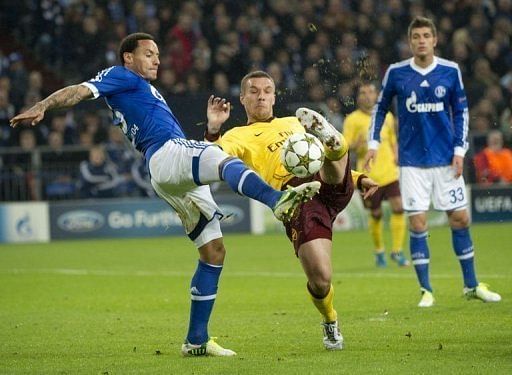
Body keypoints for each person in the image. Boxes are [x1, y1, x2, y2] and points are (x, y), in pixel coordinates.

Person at [9, 33, 321, 357]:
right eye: (148, 53)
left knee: (214, 251)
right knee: (219, 158)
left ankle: (196, 341)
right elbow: (79, 91)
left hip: (167, 171)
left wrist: (212, 128)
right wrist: (43, 105)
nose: (157, 59)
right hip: (166, 153)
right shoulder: (121, 76)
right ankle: (277, 200)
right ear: (128, 57)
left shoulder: (141, 87)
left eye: (157, 54)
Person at [205, 70, 379, 350]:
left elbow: (315, 157)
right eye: (253, 91)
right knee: (321, 279)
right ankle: (330, 320)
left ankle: (335, 144)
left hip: (325, 179)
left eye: (266, 90)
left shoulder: (294, 123)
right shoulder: (237, 136)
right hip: (296, 198)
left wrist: (359, 178)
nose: (261, 95)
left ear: (274, 96)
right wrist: (213, 128)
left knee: (328, 150)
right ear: (242, 98)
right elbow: (209, 159)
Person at [364, 17, 501, 307]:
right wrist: (373, 144)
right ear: (410, 41)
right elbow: (379, 109)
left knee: (460, 218)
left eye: (426, 35)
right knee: (417, 222)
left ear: (435, 40)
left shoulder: (450, 71)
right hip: (412, 163)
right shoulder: (397, 73)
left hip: (446, 160)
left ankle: (471, 285)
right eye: (416, 36)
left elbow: (462, 112)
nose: (421, 40)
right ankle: (426, 290)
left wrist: (459, 151)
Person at [343, 82, 408, 268]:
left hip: (389, 172)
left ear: (377, 95)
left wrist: (396, 153)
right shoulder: (352, 120)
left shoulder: (386, 116)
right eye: (363, 92)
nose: (367, 95)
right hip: (368, 175)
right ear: (358, 97)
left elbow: (393, 139)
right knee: (376, 213)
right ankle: (379, 251)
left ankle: (397, 251)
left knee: (398, 207)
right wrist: (357, 143)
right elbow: (345, 146)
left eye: (370, 92)